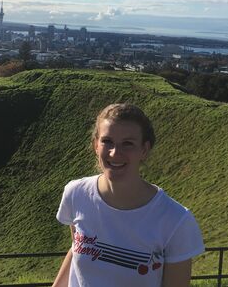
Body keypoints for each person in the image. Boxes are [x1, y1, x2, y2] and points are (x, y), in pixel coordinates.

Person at [52, 103, 205, 287]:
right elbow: (78, 249)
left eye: (128, 144)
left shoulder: (175, 221)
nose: (115, 153)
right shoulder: (76, 194)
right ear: (95, 145)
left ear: (144, 150)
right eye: (107, 141)